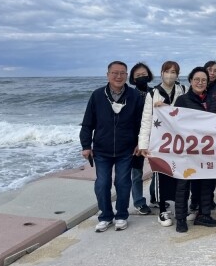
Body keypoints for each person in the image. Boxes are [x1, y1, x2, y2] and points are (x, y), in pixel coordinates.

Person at [80, 61, 145, 232]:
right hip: (102, 149)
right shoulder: (97, 95)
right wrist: (86, 145)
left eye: (122, 73)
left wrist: (140, 143)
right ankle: (105, 216)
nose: (118, 76)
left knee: (123, 182)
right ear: (107, 75)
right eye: (115, 73)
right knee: (102, 183)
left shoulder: (134, 95)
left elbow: (141, 123)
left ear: (127, 76)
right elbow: (87, 123)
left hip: (126, 149)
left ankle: (122, 215)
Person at [138, 61, 186, 229]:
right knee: (161, 173)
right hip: (159, 141)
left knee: (179, 173)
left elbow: (186, 113)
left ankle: (180, 207)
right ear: (161, 73)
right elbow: (146, 120)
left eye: (173, 72)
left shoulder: (183, 90)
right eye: (167, 71)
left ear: (178, 75)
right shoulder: (153, 93)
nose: (170, 75)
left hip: (179, 140)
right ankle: (163, 210)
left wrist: (167, 107)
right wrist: (143, 144)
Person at [172, 67, 216, 232]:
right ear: (190, 81)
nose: (200, 82)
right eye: (197, 79)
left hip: (207, 150)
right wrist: (162, 108)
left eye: (204, 80)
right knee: (183, 184)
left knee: (207, 181)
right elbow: (173, 121)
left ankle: (204, 214)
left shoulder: (212, 100)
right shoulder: (182, 100)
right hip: (187, 150)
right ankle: (181, 218)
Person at [127, 62, 154, 216]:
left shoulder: (155, 92)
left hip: (155, 137)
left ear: (149, 75)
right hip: (136, 140)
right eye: (138, 76)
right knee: (136, 173)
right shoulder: (130, 95)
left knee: (158, 169)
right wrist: (137, 142)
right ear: (133, 78)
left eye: (144, 74)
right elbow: (129, 120)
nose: (141, 77)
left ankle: (155, 197)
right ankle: (139, 202)